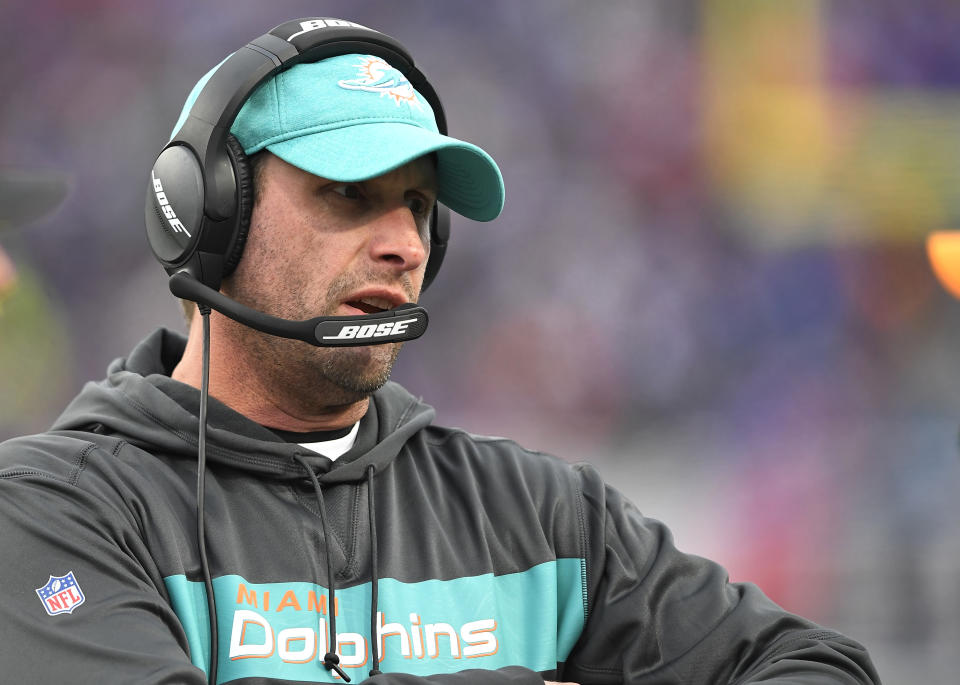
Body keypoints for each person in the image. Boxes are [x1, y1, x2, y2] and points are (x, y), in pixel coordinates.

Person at [0, 17, 880, 685]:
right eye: (349, 193)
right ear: (208, 215)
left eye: (417, 206)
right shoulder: (52, 511)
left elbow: (814, 664)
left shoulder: (542, 513)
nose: (404, 245)